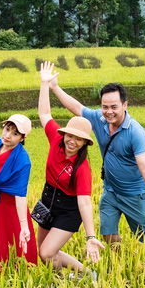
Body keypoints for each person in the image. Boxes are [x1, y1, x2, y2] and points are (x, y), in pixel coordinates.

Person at [48, 77, 145, 244]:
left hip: (135, 194)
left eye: (114, 107)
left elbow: (144, 164)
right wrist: (55, 87)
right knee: (107, 234)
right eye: (104, 107)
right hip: (110, 191)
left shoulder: (135, 131)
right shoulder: (99, 119)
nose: (109, 111)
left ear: (124, 105)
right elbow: (77, 108)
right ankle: (118, 262)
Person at [37, 62, 105, 275]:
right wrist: (44, 84)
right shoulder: (55, 139)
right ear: (64, 134)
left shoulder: (82, 168)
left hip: (69, 209)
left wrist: (90, 236)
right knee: (43, 253)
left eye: (79, 139)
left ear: (85, 143)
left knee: (47, 252)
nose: (72, 141)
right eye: (70, 136)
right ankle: (60, 283)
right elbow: (44, 114)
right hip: (48, 199)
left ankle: (86, 273)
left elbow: (84, 202)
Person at [0, 113, 38, 267]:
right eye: (7, 129)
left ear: (22, 138)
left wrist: (24, 225)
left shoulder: (23, 161)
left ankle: (17, 276)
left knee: (11, 241)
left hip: (10, 207)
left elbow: (20, 195)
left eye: (15, 133)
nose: (8, 135)